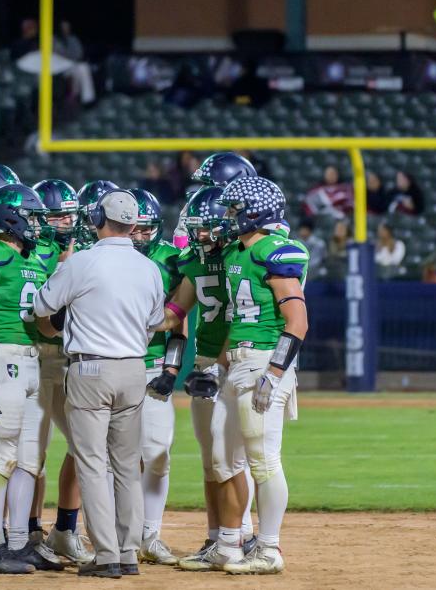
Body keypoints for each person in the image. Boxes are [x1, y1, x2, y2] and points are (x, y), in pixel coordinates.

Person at [32, 189, 166, 579]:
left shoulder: (83, 262)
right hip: (134, 368)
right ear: (134, 225)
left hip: (91, 368)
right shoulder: (149, 268)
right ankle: (128, 551)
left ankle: (106, 554)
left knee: (92, 463)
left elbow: (41, 307)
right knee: (127, 466)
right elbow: (155, 320)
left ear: (97, 220)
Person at [184, 176, 308, 575]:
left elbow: (297, 321)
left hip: (263, 361)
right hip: (237, 361)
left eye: (235, 210)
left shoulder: (275, 251)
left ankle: (269, 548)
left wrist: (274, 373)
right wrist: (218, 368)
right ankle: (228, 545)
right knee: (227, 456)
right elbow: (235, 320)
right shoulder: (240, 251)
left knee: (263, 459)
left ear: (255, 213)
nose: (228, 217)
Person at [0, 183, 64, 574]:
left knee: (29, 461)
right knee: (2, 456)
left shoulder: (35, 260)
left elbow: (46, 326)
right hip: (1, 360)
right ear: (11, 218)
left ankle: (19, 543)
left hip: (33, 360)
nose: (38, 225)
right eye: (32, 217)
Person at [156, 187, 257, 568]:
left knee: (231, 458)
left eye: (207, 229)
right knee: (212, 460)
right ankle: (217, 538)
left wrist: (219, 364)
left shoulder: (240, 258)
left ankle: (240, 536)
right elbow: (173, 313)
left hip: (233, 362)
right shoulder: (194, 262)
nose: (199, 236)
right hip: (206, 364)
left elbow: (243, 314)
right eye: (196, 229)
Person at [28, 179, 93, 564]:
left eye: (72, 213)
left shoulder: (83, 252)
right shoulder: (30, 252)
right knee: (29, 454)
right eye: (58, 215)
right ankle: (29, 530)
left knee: (85, 444)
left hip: (70, 361)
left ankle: (66, 529)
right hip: (36, 358)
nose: (68, 221)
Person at [126, 188, 184, 565]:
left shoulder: (171, 261)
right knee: (117, 457)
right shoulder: (104, 258)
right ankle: (123, 534)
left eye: (146, 230)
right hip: (115, 363)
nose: (140, 237)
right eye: (133, 230)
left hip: (152, 366)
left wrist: (172, 370)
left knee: (158, 453)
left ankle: (151, 534)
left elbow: (179, 322)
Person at [56, 21, 96, 107]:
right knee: (76, 71)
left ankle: (87, 99)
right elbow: (56, 54)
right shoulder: (53, 39)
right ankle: (73, 94)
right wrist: (68, 55)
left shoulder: (73, 39)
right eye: (63, 27)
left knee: (83, 67)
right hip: (58, 66)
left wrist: (69, 56)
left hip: (72, 64)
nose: (65, 29)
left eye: (67, 27)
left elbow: (79, 53)